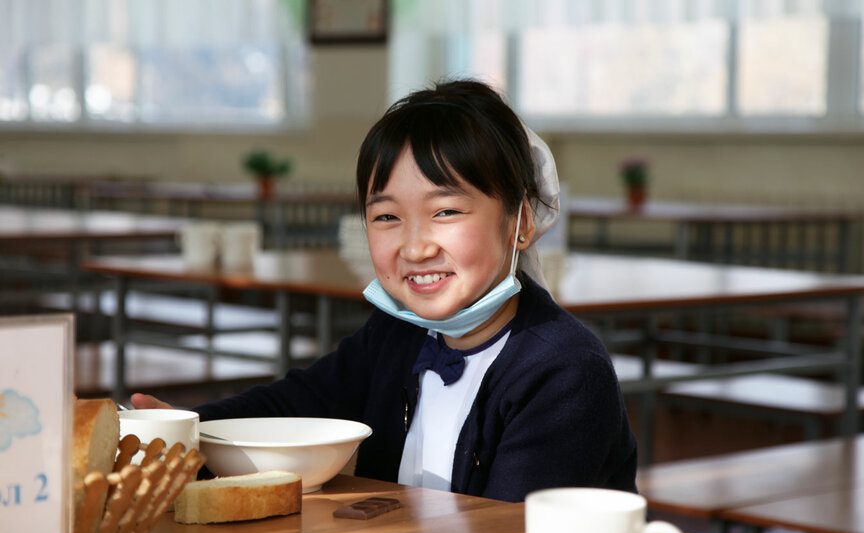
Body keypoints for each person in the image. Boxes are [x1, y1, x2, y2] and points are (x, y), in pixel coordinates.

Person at [133, 79, 637, 502]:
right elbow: (298, 402)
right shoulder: (399, 334)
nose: (415, 248)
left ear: (521, 222)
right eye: (387, 217)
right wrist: (183, 430)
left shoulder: (564, 372)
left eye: (446, 211)